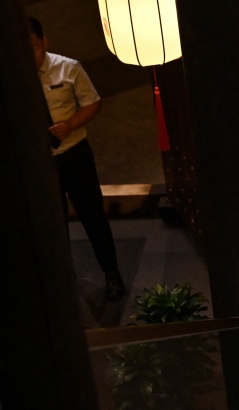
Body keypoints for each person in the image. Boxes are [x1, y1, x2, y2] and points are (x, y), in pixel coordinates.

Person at [29, 17, 126, 300]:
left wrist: (69, 125)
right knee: (51, 224)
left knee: (93, 216)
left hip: (74, 154)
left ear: (44, 42)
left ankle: (112, 273)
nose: (28, 56)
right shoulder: (14, 77)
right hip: (41, 163)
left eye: (33, 47)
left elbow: (93, 103)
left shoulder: (68, 67)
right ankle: (61, 284)